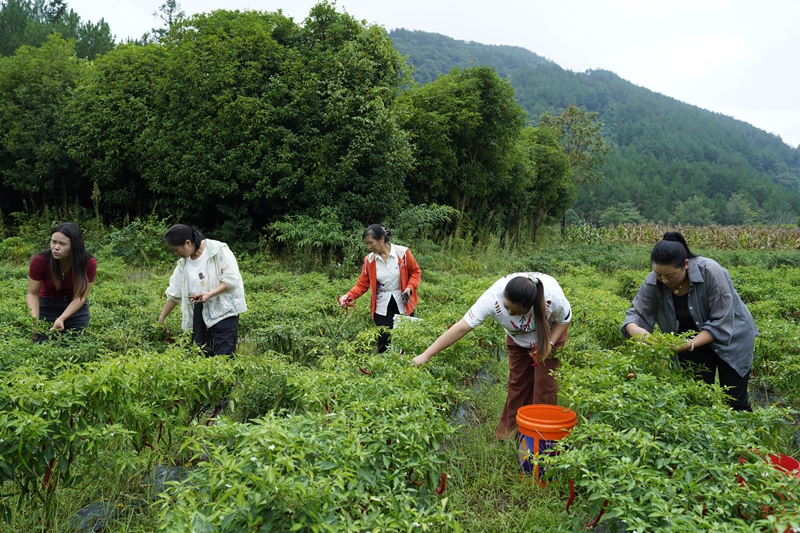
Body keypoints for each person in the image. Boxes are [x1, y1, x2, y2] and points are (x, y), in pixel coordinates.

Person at [412, 272, 572, 440]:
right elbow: (461, 328)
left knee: (544, 387)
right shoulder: (492, 298)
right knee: (517, 385)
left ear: (528, 308)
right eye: (506, 306)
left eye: (515, 311)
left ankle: (540, 440)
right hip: (517, 339)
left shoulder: (551, 297)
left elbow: (564, 320)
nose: (508, 312)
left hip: (549, 335)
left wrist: (548, 346)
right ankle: (507, 437)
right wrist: (426, 354)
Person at [622, 231, 757, 411]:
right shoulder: (653, 282)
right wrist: (638, 332)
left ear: (686, 264)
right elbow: (634, 315)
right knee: (696, 398)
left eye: (670, 276)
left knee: (734, 400)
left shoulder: (710, 272)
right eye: (658, 275)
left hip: (732, 339)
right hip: (688, 342)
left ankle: (744, 434)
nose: (664, 280)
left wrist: (689, 344)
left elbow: (722, 321)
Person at [158, 224, 247, 357]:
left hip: (224, 311)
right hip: (199, 314)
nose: (176, 253)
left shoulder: (218, 250)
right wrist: (162, 318)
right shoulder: (183, 264)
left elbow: (232, 279)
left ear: (188, 243)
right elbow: (174, 294)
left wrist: (210, 294)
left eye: (176, 249)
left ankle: (227, 379)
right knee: (202, 356)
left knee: (224, 358)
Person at [337, 224, 421, 353]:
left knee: (405, 341)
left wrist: (410, 287)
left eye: (371, 243)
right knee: (384, 342)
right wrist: (348, 296)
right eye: (367, 244)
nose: (369, 247)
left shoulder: (402, 253)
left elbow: (415, 272)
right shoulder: (369, 260)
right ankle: (384, 370)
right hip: (382, 306)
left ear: (382, 239)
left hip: (403, 302)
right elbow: (362, 284)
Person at [27, 222, 96, 341]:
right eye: (54, 242)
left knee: (75, 346)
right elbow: (32, 294)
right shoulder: (40, 261)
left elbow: (80, 297)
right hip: (46, 305)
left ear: (75, 245)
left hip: (75, 308)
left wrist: (62, 318)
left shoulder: (88, 263)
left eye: (62, 244)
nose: (56, 247)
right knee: (41, 346)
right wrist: (35, 320)